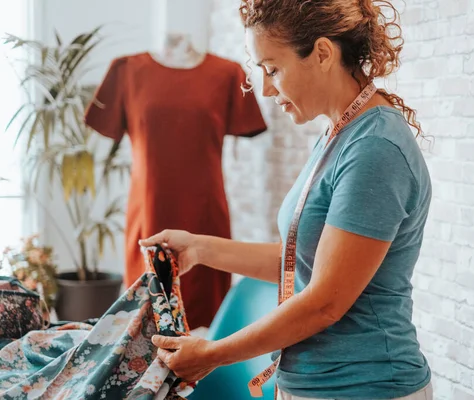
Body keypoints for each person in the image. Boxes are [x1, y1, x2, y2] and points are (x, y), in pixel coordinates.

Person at [140, 0, 433, 399]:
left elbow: (324, 303)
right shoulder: (337, 135)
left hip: (365, 387)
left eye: (272, 69)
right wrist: (200, 248)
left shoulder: (374, 147)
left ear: (323, 54)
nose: (264, 88)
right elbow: (305, 263)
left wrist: (212, 354)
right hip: (312, 385)